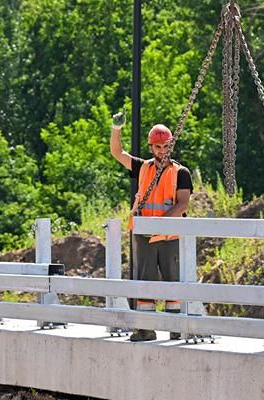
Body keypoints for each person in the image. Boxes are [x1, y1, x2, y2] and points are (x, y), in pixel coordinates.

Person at [109, 111, 193, 342]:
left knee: (172, 279)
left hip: (168, 235)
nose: (161, 151)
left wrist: (161, 223)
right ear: (151, 148)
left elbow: (183, 203)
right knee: (143, 281)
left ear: (171, 146)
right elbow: (117, 153)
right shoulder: (143, 167)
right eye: (157, 147)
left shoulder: (181, 172)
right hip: (144, 234)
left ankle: (175, 326)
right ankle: (145, 328)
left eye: (165, 146)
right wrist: (116, 130)